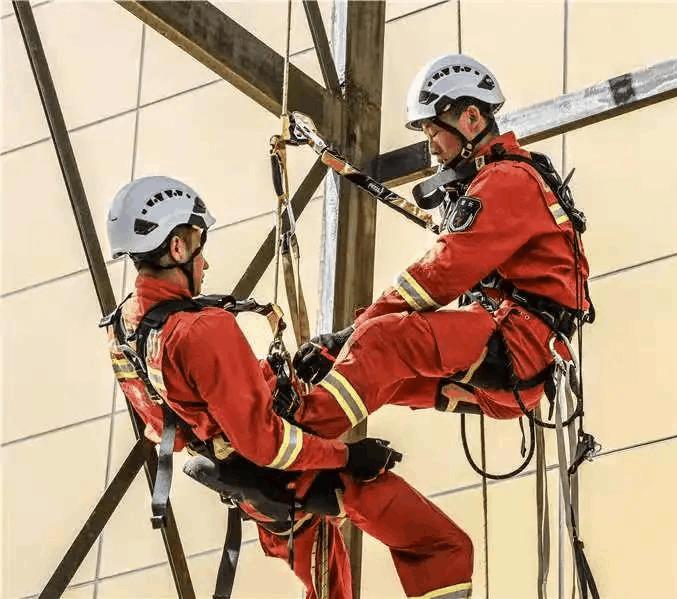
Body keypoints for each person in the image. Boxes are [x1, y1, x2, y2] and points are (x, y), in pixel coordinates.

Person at [104, 176, 474, 599]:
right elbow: (268, 444)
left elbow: (167, 425)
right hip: (292, 475)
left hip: (252, 489)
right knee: (442, 546)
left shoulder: (123, 329)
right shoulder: (203, 330)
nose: (205, 263)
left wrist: (254, 384)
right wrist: (350, 455)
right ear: (177, 248)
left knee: (332, 588)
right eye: (199, 246)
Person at [288, 53, 592, 437]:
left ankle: (294, 436)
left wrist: (347, 335)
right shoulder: (503, 179)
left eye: (434, 132)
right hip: (520, 364)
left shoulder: (506, 181)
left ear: (470, 118)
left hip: (518, 344)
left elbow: (440, 274)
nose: (432, 146)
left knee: (378, 341)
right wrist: (341, 352)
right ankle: (302, 429)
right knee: (381, 376)